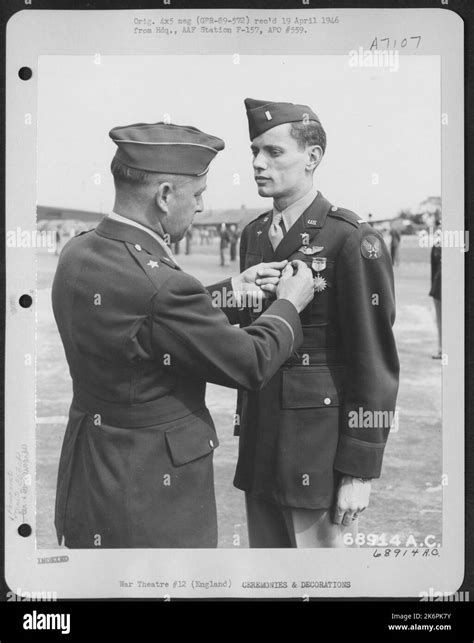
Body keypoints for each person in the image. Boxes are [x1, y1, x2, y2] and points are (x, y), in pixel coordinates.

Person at [51, 120, 315, 549]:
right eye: (198, 195)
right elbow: (251, 361)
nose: (201, 208)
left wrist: (233, 290)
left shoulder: (80, 250)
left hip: (92, 473)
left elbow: (145, 321)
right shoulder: (162, 285)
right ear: (165, 196)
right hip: (153, 493)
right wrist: (290, 303)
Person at [233, 98, 400, 547]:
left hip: (318, 455)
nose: (257, 164)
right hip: (260, 447)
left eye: (273, 152)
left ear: (312, 157)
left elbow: (375, 364)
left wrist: (360, 470)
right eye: (253, 152)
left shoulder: (350, 238)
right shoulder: (252, 235)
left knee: (323, 586)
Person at [428, 215, 442, 358]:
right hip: (438, 287)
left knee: (441, 319)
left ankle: (442, 348)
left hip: (439, 287)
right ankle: (442, 347)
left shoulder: (439, 244)